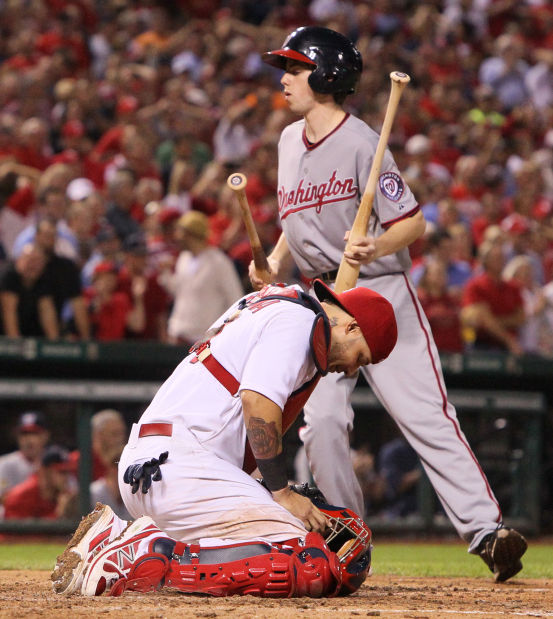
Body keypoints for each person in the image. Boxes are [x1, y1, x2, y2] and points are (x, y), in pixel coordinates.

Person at [249, 26, 527, 582]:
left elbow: (413, 222)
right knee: (321, 421)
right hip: (322, 301)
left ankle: (485, 531)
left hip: (379, 291)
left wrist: (376, 242)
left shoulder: (361, 142)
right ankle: (348, 534)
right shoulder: (285, 142)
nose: (283, 79)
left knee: (423, 413)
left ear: (325, 75)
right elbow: (293, 219)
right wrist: (276, 261)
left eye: (295, 69)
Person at [52, 278, 397, 598]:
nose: (352, 370)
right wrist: (280, 492)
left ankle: (149, 545)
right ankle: (140, 554)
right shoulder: (299, 321)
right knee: (307, 560)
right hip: (178, 468)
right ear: (352, 326)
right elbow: (257, 403)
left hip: (168, 467)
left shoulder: (282, 305)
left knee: (299, 542)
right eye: (360, 358)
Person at [159, 210, 244, 347]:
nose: (176, 237)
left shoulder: (219, 261)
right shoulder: (184, 258)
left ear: (191, 234)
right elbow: (180, 292)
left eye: (180, 232)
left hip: (204, 340)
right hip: (178, 335)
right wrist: (165, 274)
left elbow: (235, 300)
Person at [3, 444, 78, 520]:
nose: (66, 478)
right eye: (61, 472)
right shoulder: (20, 497)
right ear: (45, 472)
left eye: (67, 472)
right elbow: (19, 531)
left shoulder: (65, 496)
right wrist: (57, 514)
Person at [0, 411, 50, 503]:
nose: (29, 439)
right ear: (17, 437)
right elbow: (2, 499)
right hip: (14, 514)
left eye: (34, 433)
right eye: (24, 434)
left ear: (45, 436)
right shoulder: (5, 464)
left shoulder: (55, 462)